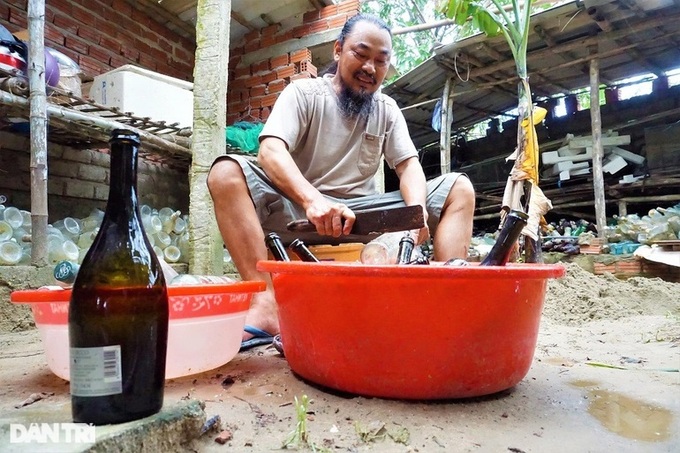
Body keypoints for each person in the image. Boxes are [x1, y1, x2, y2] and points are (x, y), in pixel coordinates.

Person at [207, 13, 475, 350]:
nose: (370, 68)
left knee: (459, 188)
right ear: (337, 51)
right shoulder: (304, 94)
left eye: (380, 60)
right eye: (360, 54)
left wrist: (416, 213)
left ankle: (448, 305)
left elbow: (409, 168)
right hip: (299, 214)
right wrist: (311, 199)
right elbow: (270, 150)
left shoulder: (387, 109)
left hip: (362, 218)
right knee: (225, 172)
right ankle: (265, 306)